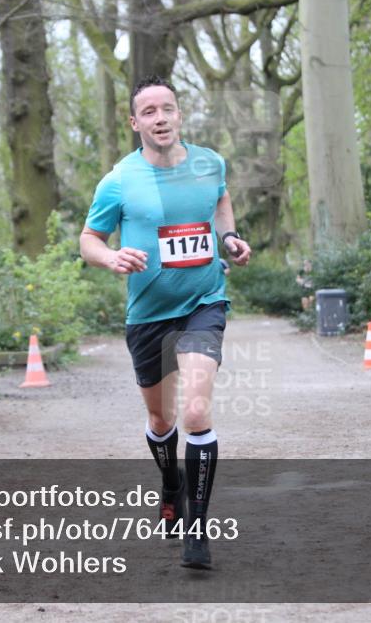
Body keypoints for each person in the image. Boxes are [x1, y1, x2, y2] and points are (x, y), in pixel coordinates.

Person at [79, 75, 251, 569]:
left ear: (179, 115)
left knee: (196, 414)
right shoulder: (118, 180)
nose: (160, 118)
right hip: (148, 315)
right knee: (161, 420)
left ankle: (198, 527)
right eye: (148, 112)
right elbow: (88, 238)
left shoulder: (208, 163)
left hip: (203, 302)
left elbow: (220, 198)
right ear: (135, 123)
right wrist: (110, 257)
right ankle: (171, 482)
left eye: (167, 109)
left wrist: (230, 237)